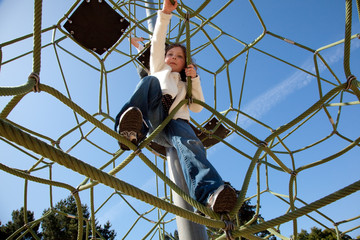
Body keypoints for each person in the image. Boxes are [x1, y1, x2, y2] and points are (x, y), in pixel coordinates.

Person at [114, 0, 237, 214]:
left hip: (174, 124)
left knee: (191, 144)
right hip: (154, 116)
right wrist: (164, 14)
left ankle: (209, 194)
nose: (173, 58)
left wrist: (194, 80)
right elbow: (158, 40)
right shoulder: (159, 68)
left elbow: (197, 108)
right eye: (171, 54)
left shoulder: (186, 84)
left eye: (179, 57)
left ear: (185, 64)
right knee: (149, 81)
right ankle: (130, 130)